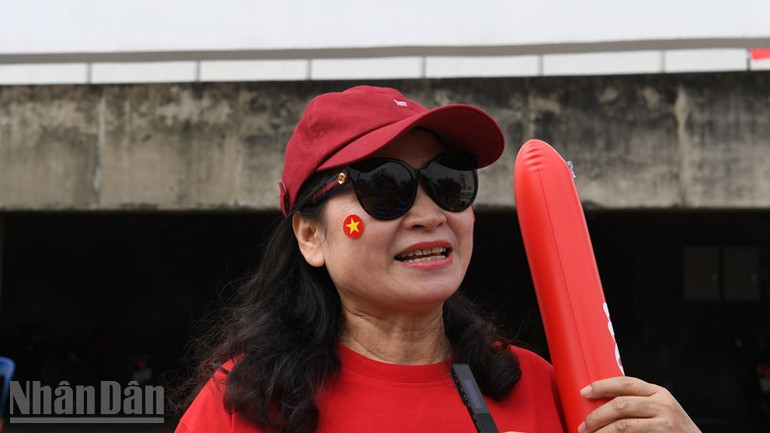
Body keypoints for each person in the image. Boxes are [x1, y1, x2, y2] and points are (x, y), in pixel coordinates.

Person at [176, 85, 701, 433]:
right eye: (385, 187)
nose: (429, 214)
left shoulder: (540, 387)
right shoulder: (245, 406)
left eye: (450, 182)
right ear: (311, 235)